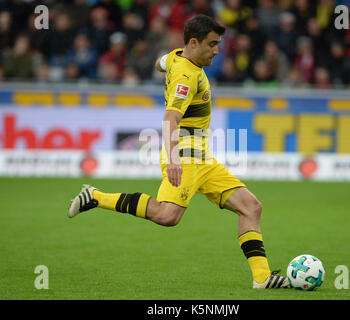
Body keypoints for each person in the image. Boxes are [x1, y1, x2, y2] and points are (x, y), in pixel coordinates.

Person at [67, 14, 289, 290]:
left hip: (202, 157)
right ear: (194, 43)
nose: (217, 51)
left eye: (218, 44)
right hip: (185, 154)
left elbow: (159, 63)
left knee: (251, 207)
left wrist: (167, 65)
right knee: (166, 216)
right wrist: (173, 159)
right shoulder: (187, 76)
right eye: (212, 44)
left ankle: (262, 278)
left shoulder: (175, 56)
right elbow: (170, 119)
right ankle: (95, 197)